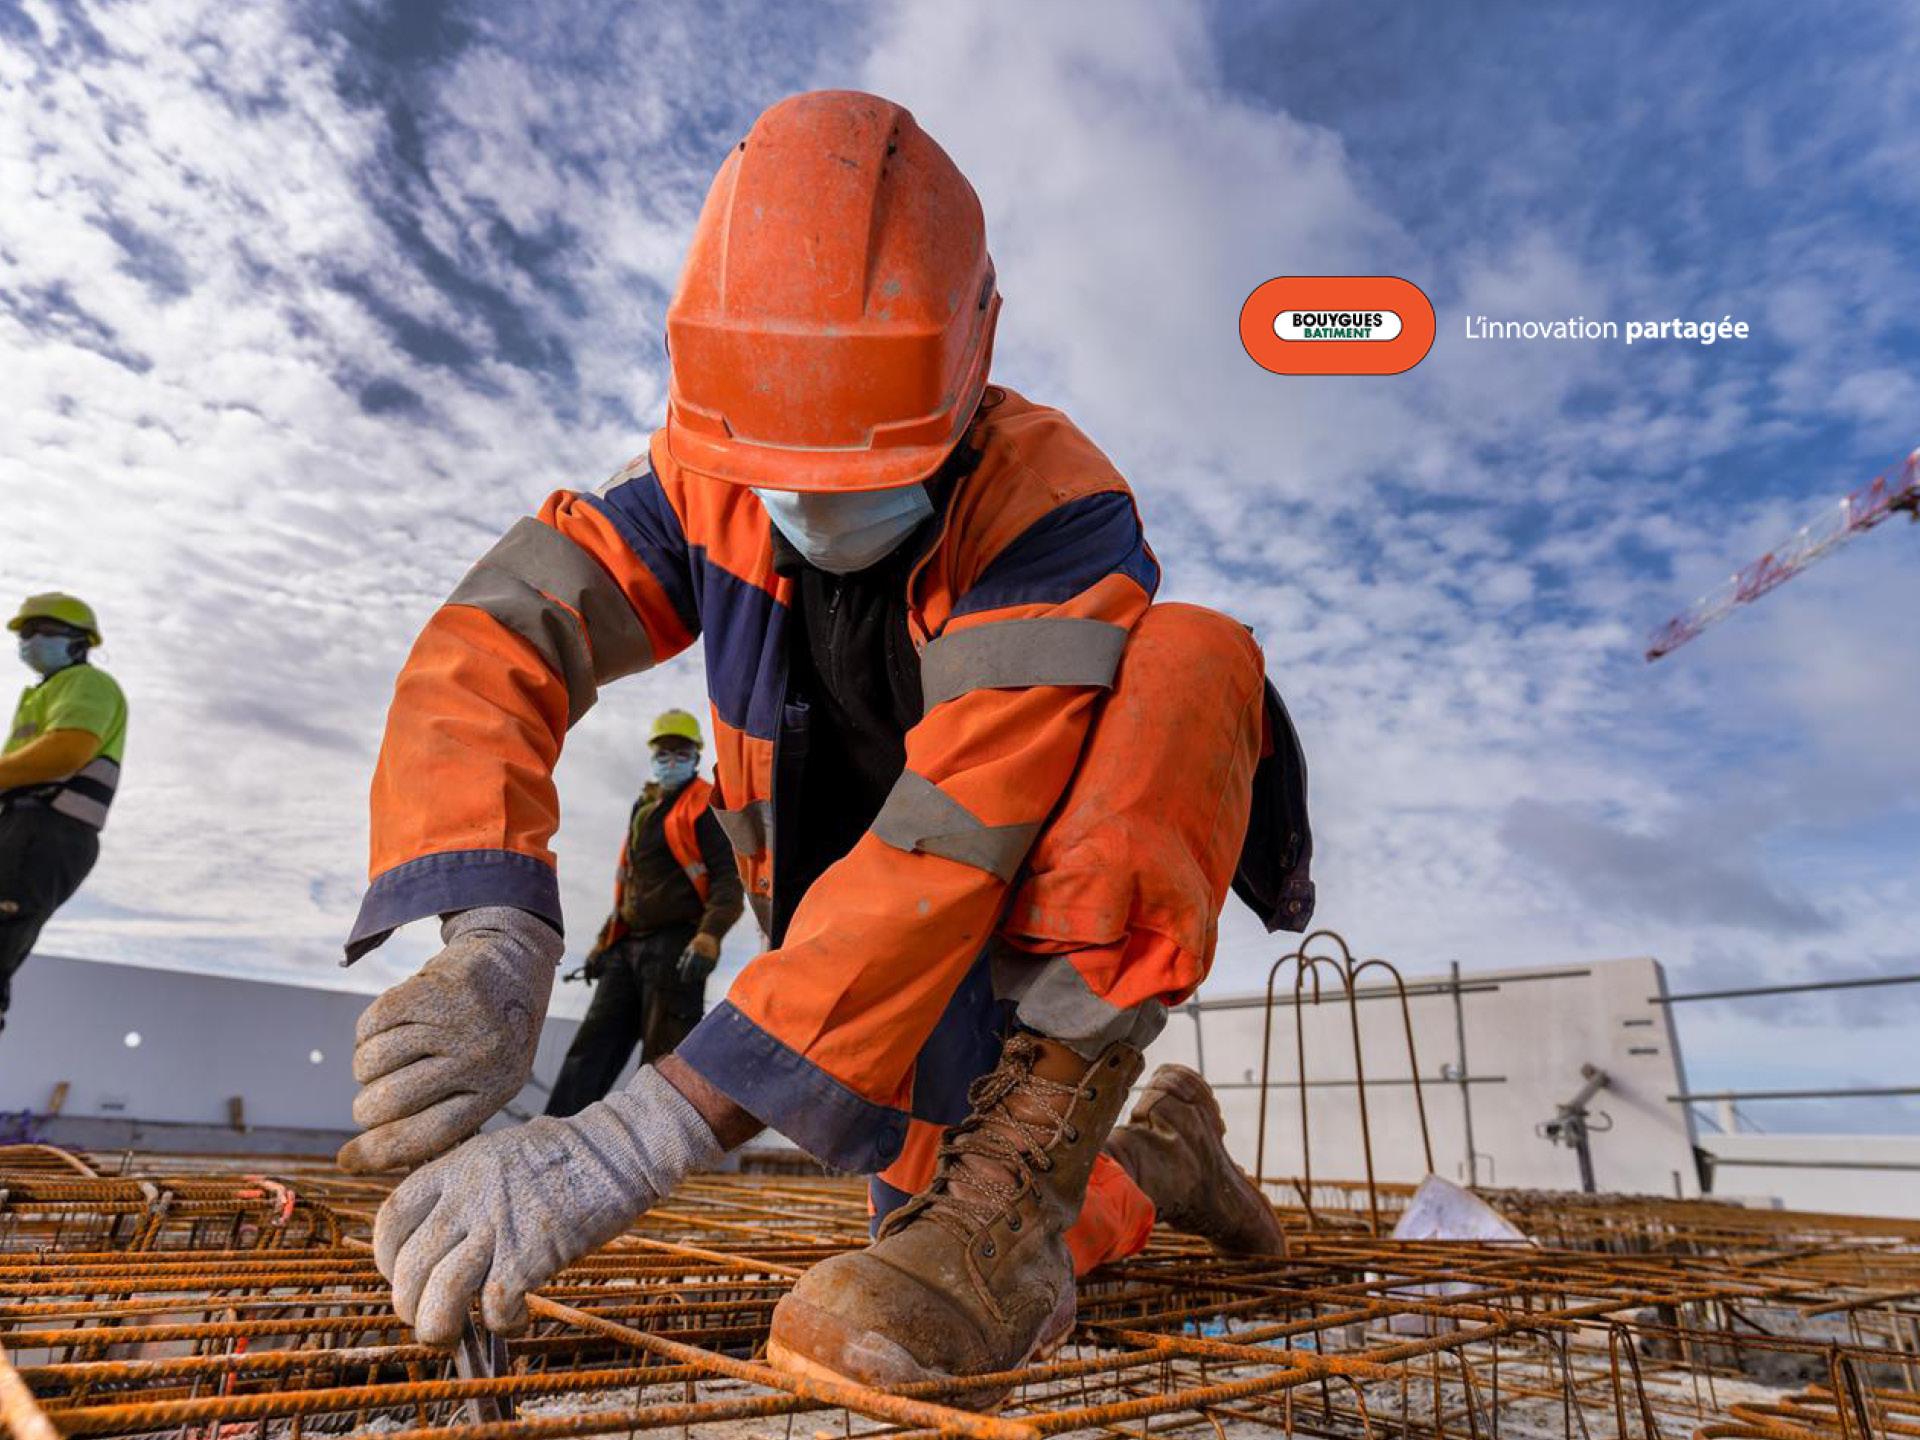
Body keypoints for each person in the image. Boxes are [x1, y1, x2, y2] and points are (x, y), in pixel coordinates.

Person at [337, 90, 1315, 1406]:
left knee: (1193, 661)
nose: (805, 502)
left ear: (971, 361)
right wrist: (490, 927)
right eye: (773, 471)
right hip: (838, 964)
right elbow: (502, 634)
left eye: (856, 470)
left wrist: (643, 1131)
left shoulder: (1055, 518)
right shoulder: (706, 474)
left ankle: (1052, 1148)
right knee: (913, 1248)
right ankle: (1166, 1164)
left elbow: (955, 839)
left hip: (1013, 916)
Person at [543, 708, 744, 1116]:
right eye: (664, 752)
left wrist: (709, 936)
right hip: (627, 946)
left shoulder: (705, 805)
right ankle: (551, 1143)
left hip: (675, 950)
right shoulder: (644, 806)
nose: (671, 760)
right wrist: (603, 944)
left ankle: (650, 1164)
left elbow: (728, 879)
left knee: (663, 1065)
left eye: (680, 752)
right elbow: (629, 886)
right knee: (591, 1050)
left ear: (696, 755)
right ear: (653, 755)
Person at [1, 593, 127, 1036]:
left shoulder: (88, 685)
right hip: (21, 827)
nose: (33, 640)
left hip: (48, 828)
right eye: (26, 632)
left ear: (80, 641)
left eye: (46, 631)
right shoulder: (39, 695)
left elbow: (66, 752)